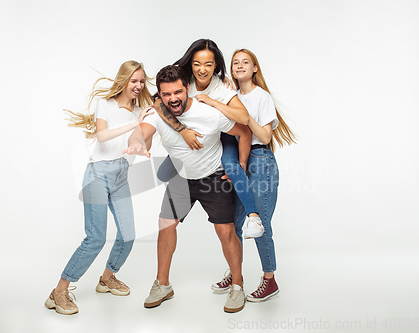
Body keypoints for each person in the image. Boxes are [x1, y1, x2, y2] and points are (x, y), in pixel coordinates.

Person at [123, 65, 251, 313]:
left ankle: (237, 285)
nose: (173, 99)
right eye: (166, 94)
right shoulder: (157, 115)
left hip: (213, 178)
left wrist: (241, 165)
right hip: (181, 179)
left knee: (225, 233)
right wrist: (136, 143)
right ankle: (163, 285)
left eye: (178, 92)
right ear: (159, 95)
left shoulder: (209, 114)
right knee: (165, 225)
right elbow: (140, 134)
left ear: (188, 88)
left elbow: (243, 132)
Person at [44, 61, 154, 315]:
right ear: (124, 80)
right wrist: (134, 123)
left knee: (128, 235)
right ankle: (59, 291)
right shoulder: (105, 104)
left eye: (141, 81)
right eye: (133, 81)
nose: (138, 86)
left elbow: (141, 140)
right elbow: (102, 136)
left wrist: (142, 142)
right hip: (98, 175)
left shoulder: (143, 110)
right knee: (95, 238)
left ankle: (106, 278)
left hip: (121, 176)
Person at [154, 39, 265, 240]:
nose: (202, 69)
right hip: (191, 141)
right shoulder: (183, 80)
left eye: (208, 64)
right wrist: (182, 131)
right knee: (162, 174)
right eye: (197, 63)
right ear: (190, 64)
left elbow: (243, 119)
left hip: (221, 136)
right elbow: (157, 102)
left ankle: (253, 216)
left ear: (216, 66)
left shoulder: (221, 86)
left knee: (231, 167)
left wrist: (212, 101)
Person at [213, 49, 296, 302]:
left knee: (260, 224)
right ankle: (235, 272)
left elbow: (266, 137)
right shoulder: (231, 96)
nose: (240, 66)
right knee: (236, 224)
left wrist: (245, 117)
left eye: (245, 62)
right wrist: (233, 169)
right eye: (235, 62)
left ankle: (269, 280)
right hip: (241, 163)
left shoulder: (262, 97)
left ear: (254, 68)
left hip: (261, 162)